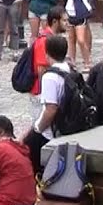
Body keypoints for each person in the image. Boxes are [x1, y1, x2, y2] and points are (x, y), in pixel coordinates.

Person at [20, 34, 70, 176]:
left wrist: (37, 129)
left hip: (49, 133)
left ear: (47, 53)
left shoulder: (50, 76)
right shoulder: (68, 68)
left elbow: (50, 109)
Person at [62, 0, 94, 68]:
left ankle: (87, 61)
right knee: (71, 39)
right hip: (70, 14)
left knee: (81, 40)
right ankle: (72, 61)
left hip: (79, 14)